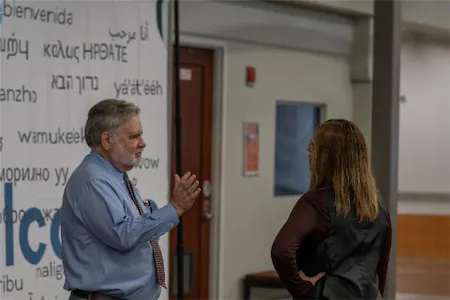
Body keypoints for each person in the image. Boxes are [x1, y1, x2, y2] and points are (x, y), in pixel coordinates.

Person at [60, 99, 201, 300]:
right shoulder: (93, 181)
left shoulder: (115, 177)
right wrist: (174, 208)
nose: (143, 143)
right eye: (134, 137)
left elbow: (137, 235)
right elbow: (123, 236)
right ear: (107, 140)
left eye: (141, 135)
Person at [271, 119, 392, 300]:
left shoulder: (316, 203)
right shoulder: (376, 204)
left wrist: (303, 291)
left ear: (327, 156)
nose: (308, 151)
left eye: (313, 145)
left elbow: (281, 251)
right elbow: (382, 265)